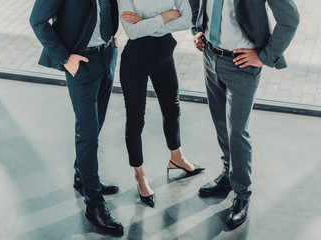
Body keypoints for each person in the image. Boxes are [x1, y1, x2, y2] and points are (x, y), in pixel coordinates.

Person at [189, 0, 299, 226]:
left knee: (237, 130)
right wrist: (198, 28)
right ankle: (229, 173)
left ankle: (242, 194)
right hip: (210, 56)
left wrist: (264, 56)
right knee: (219, 121)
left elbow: (290, 18)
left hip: (242, 64)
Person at [29, 0, 124, 236]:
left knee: (96, 123)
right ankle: (94, 205)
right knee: (88, 134)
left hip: (107, 54)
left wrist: (111, 36)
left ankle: (82, 176)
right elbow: (38, 20)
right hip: (80, 62)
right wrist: (65, 58)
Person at [118, 0, 205, 208]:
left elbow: (186, 20)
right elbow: (132, 31)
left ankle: (177, 158)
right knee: (136, 119)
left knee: (172, 108)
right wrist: (166, 16)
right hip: (136, 60)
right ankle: (139, 175)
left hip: (165, 54)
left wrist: (146, 23)